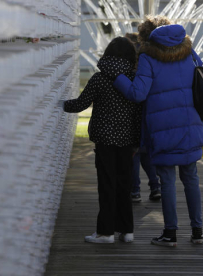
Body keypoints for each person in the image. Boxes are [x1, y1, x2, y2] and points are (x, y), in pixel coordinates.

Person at [113, 16, 203, 247]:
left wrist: (118, 78)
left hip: (163, 130)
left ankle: (170, 233)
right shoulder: (190, 52)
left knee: (167, 181)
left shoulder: (148, 57)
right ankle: (197, 232)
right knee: (191, 178)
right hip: (191, 125)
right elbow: (202, 77)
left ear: (147, 36)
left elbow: (138, 93)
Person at [62, 37, 142, 243]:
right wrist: (138, 141)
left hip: (105, 140)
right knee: (124, 184)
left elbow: (80, 104)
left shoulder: (99, 78)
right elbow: (139, 112)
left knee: (107, 185)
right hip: (127, 141)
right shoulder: (134, 79)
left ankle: (105, 232)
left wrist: (59, 104)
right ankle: (127, 231)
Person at [125, 32, 162, 202]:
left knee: (134, 157)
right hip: (147, 119)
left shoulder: (128, 71)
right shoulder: (148, 64)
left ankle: (135, 191)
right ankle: (155, 187)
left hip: (132, 120)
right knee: (147, 157)